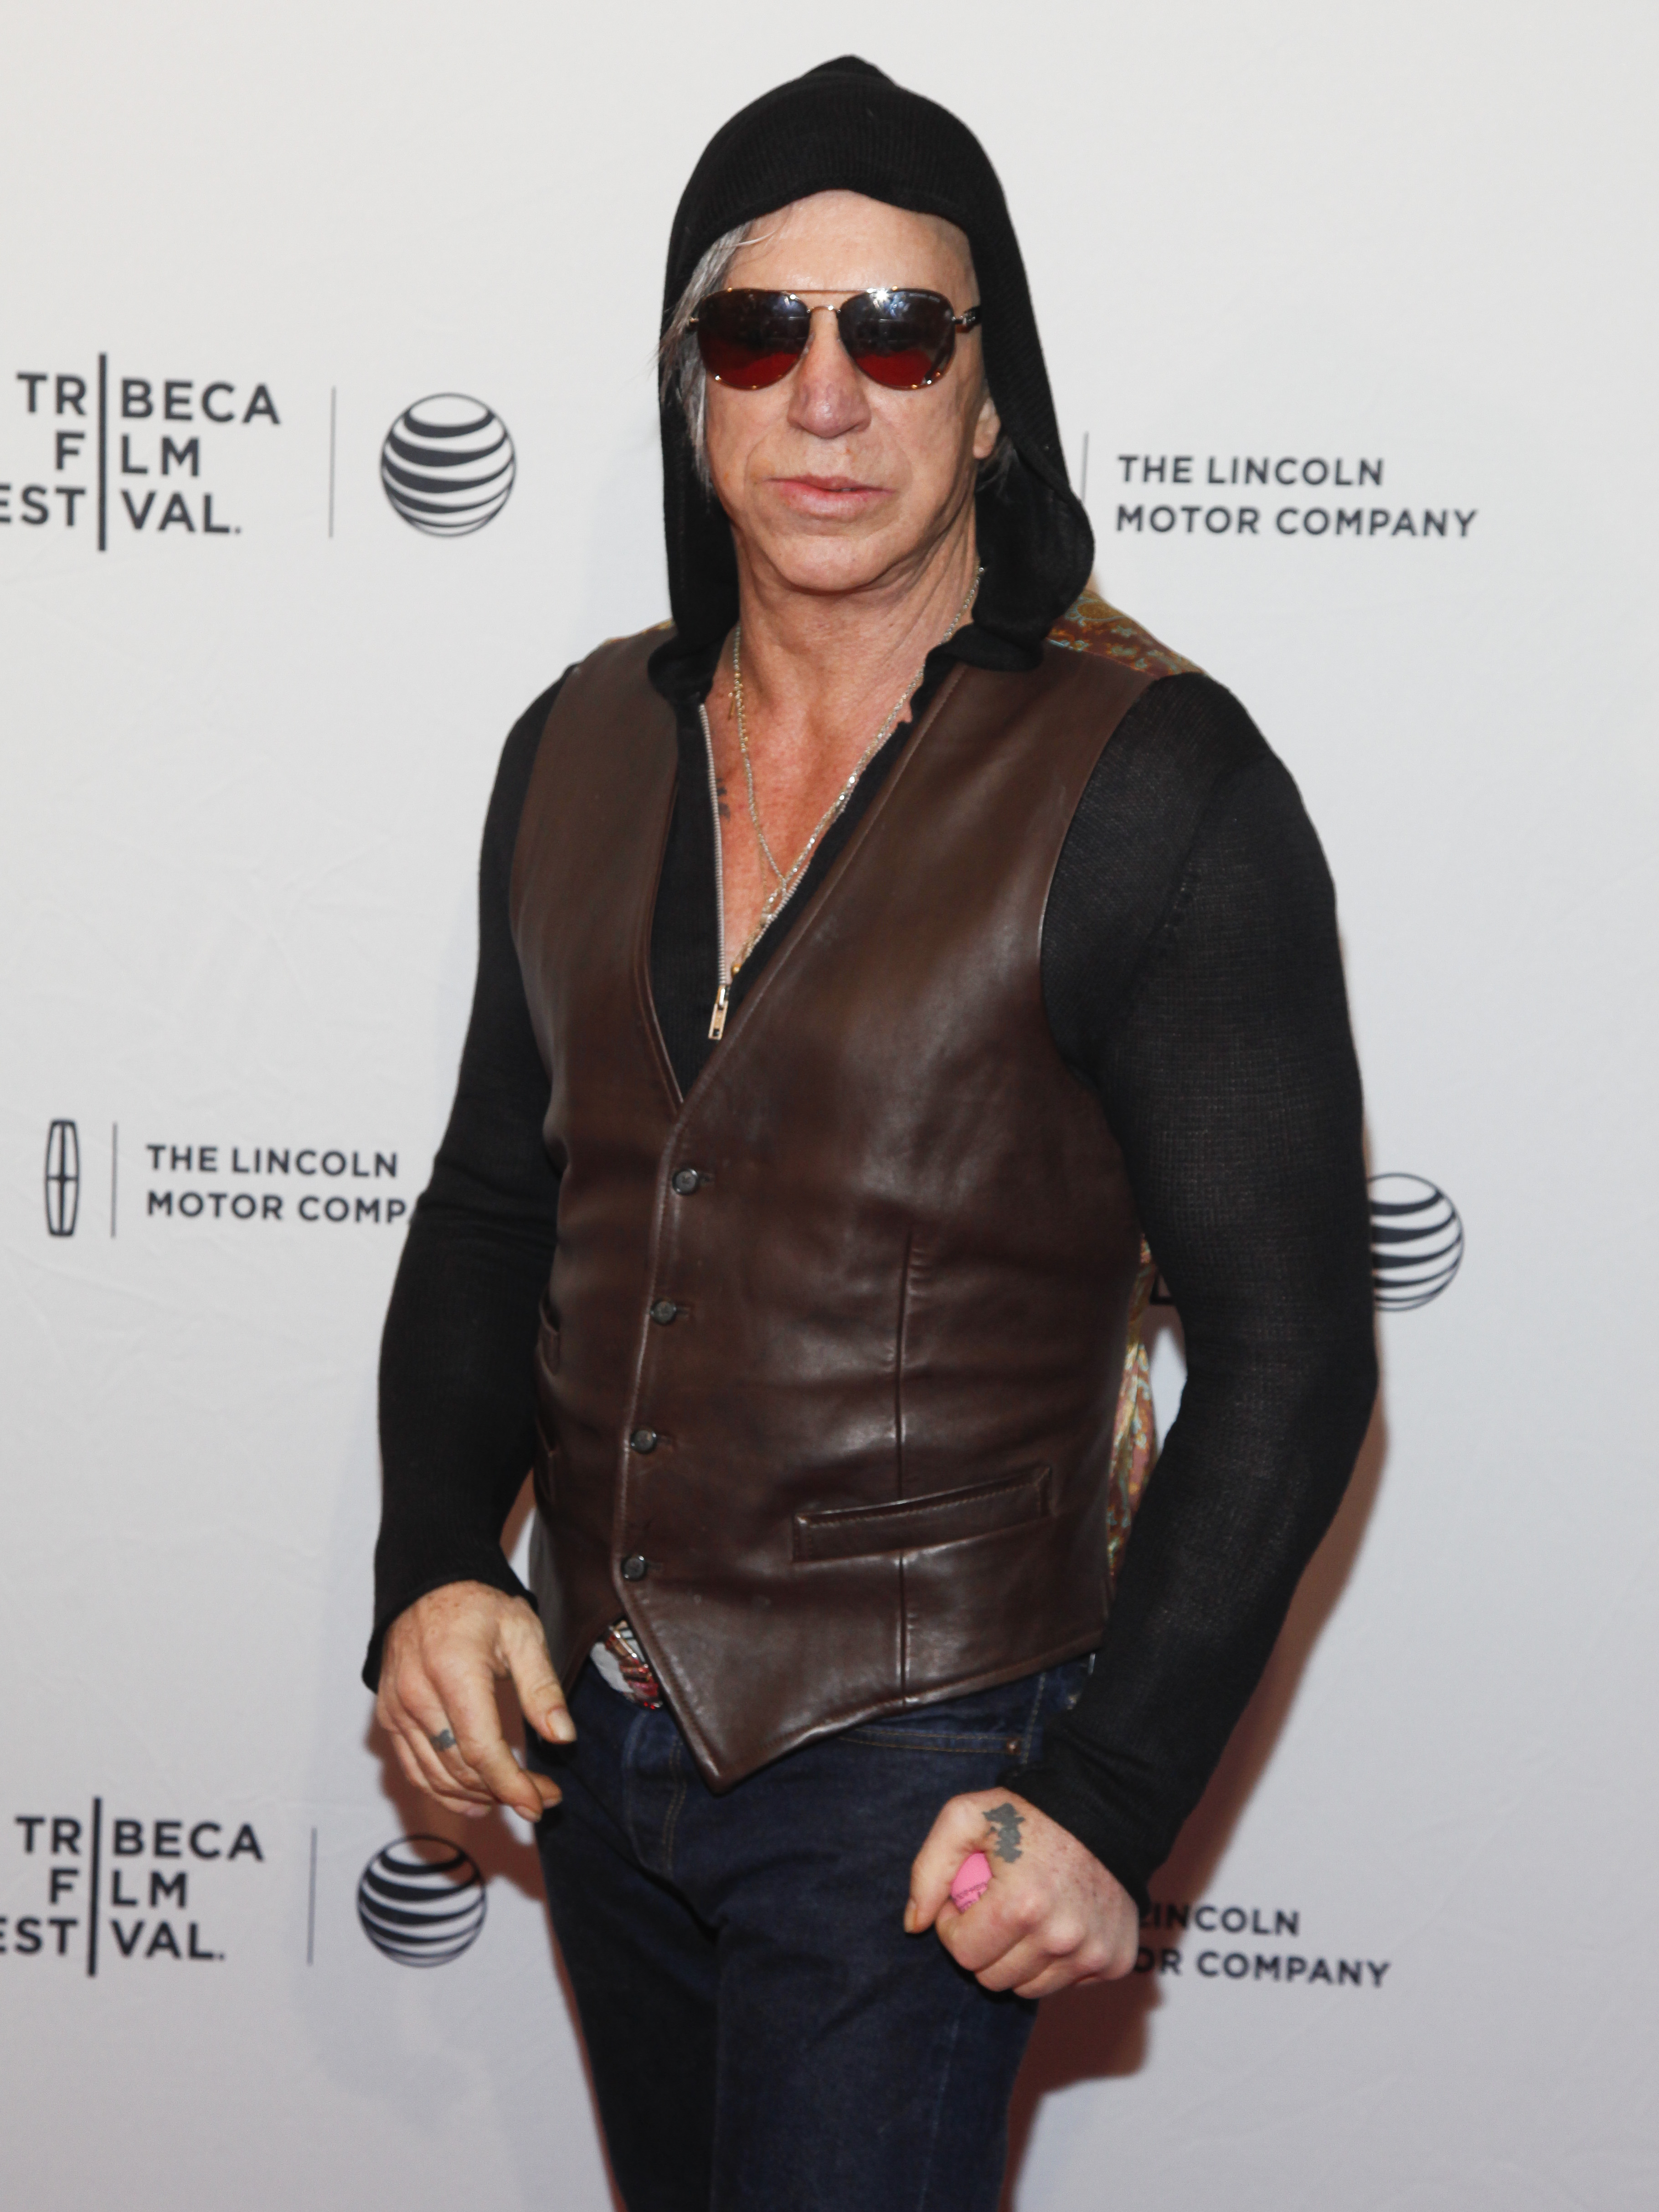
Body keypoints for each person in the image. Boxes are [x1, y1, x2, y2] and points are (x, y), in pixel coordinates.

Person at [366, 55, 1377, 2212]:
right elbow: (495, 1204)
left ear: (990, 397)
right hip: (600, 1740)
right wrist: (435, 1554)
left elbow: (1293, 1352)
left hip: (927, 1775)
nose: (826, 395)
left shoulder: (1159, 785)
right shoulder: (575, 743)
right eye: (762, 331)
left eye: (899, 332)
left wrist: (1107, 1800)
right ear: (693, 390)